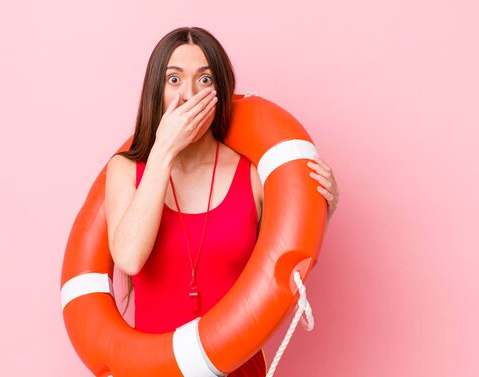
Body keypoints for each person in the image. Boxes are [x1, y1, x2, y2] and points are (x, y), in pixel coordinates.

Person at [105, 27, 339, 376]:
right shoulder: (125, 170)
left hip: (238, 368)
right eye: (173, 79)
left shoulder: (254, 175)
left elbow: (285, 258)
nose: (188, 95)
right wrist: (163, 151)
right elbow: (129, 258)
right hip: (153, 370)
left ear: (220, 91)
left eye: (204, 80)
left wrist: (323, 210)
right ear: (155, 90)